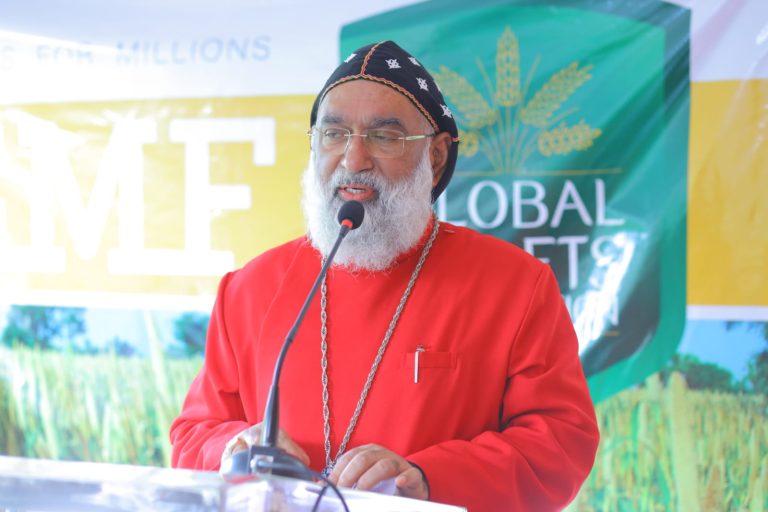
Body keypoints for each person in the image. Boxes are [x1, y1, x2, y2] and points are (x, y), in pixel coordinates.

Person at [170, 40, 599, 511]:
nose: (353, 159)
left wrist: (428, 478)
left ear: (436, 156)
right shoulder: (249, 289)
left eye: (384, 136)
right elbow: (193, 434)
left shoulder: (515, 285)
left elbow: (561, 442)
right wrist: (233, 449)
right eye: (334, 134)